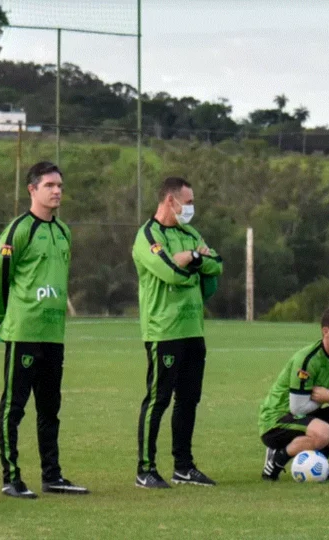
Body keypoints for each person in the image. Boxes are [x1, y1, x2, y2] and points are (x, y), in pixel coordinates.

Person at [0, 161, 88, 498]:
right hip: (24, 332)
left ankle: (53, 476)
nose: (57, 191)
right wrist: (6, 316)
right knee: (13, 407)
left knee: (50, 408)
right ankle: (11, 477)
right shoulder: (19, 230)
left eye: (60, 185)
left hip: (53, 334)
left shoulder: (63, 232)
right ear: (32, 189)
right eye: (49, 185)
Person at [132, 176, 224, 489]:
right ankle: (145, 469)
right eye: (188, 202)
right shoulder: (147, 236)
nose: (191, 208)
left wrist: (194, 257)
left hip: (193, 330)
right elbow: (170, 272)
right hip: (164, 331)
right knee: (158, 400)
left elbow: (217, 264)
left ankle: (183, 467)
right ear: (170, 201)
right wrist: (194, 261)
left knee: (189, 400)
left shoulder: (191, 233)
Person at [259, 307, 329, 481]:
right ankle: (277, 460)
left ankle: (320, 461)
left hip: (307, 413)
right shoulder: (307, 360)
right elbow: (297, 408)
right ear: (326, 331)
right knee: (323, 432)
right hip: (278, 419)